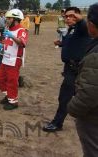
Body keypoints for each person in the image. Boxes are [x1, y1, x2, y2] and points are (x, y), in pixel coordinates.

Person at [43, 7, 91, 132]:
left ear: (78, 16)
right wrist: (61, 43)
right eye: (66, 16)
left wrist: (79, 18)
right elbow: (73, 42)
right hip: (70, 68)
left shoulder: (83, 28)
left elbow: (83, 24)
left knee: (65, 97)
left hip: (77, 70)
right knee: (76, 96)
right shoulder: (72, 29)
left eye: (72, 16)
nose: (68, 18)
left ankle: (57, 123)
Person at [67, 3, 98, 156]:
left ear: (91, 24)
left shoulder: (95, 55)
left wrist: (72, 107)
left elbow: (89, 93)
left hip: (92, 118)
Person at [0, 9, 28, 110]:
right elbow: (6, 43)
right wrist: (0, 45)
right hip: (5, 59)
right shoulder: (8, 29)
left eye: (9, 18)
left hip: (14, 60)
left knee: (12, 81)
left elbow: (22, 43)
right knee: (0, 79)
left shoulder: (21, 30)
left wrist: (12, 36)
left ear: (16, 19)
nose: (7, 20)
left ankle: (13, 101)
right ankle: (8, 96)